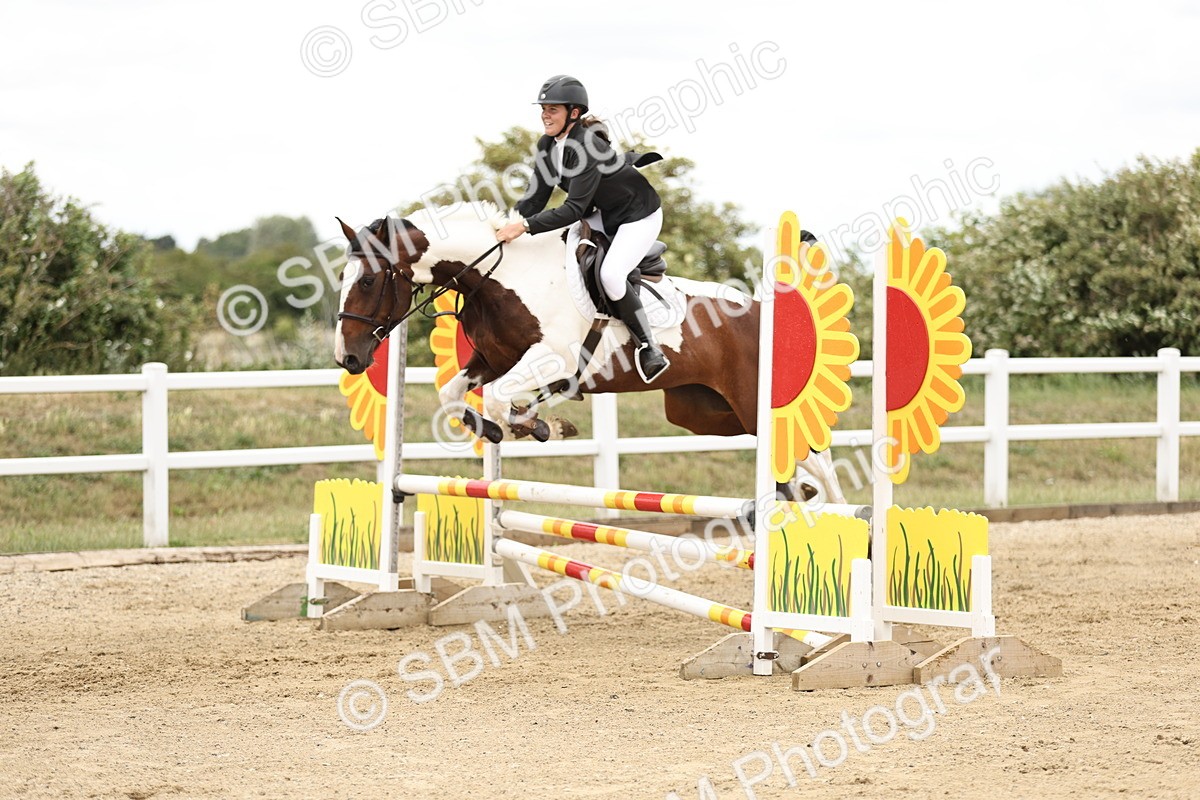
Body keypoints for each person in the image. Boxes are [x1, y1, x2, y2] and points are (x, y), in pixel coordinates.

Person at [495, 75, 670, 384]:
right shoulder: (547, 145)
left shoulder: (586, 147)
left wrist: (523, 226)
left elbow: (573, 209)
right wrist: (504, 223)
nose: (545, 115)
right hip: (602, 211)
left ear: (573, 114)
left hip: (637, 215)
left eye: (553, 110)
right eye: (543, 109)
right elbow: (536, 198)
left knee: (611, 275)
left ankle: (648, 346)